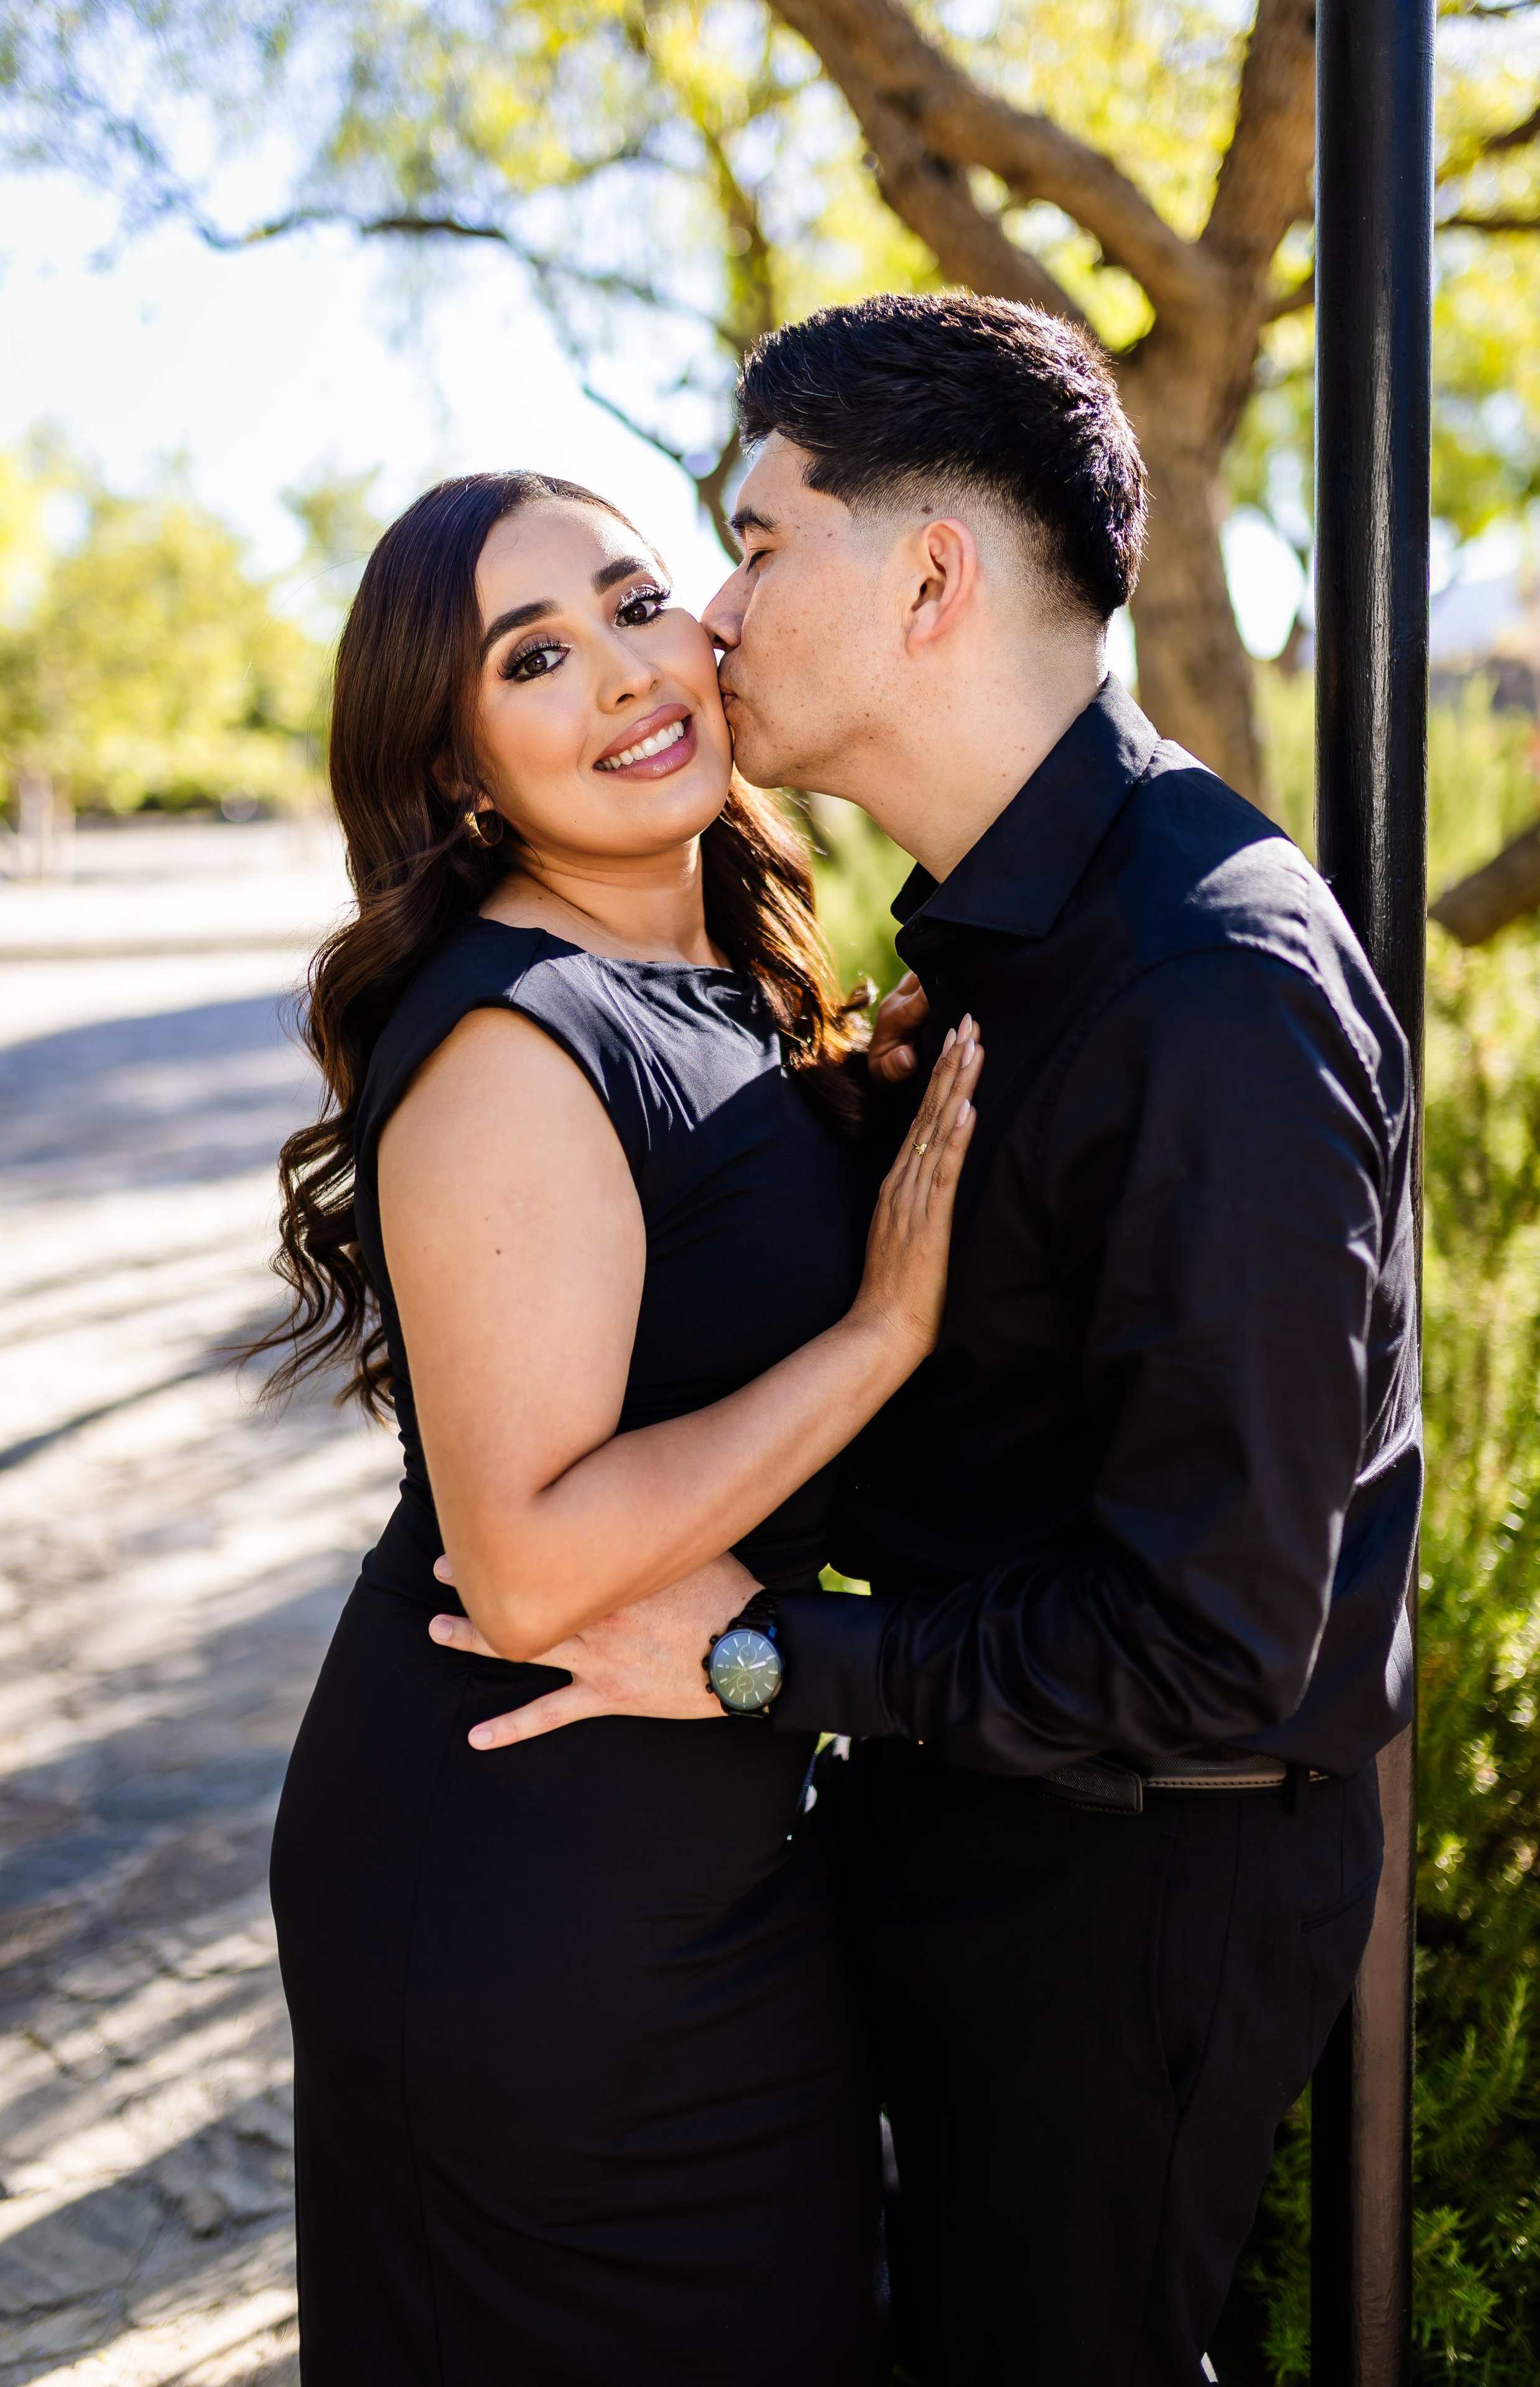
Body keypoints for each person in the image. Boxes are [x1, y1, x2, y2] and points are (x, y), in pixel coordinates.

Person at [454, 295, 1421, 2386]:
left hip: (1133, 1890)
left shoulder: (1207, 988)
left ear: (929, 576)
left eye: (757, 540)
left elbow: (1210, 1643)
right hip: (989, 1835)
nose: (711, 615)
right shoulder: (998, 937)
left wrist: (751, 1655)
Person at [264, 466, 985, 2384]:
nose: (625, 677)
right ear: (461, 762)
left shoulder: (707, 968)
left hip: (700, 1840)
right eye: (536, 657)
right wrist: (882, 1329)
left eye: (637, 601)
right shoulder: (514, 1042)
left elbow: (693, 1251)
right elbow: (524, 1561)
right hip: (521, 1866)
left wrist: (853, 1090)